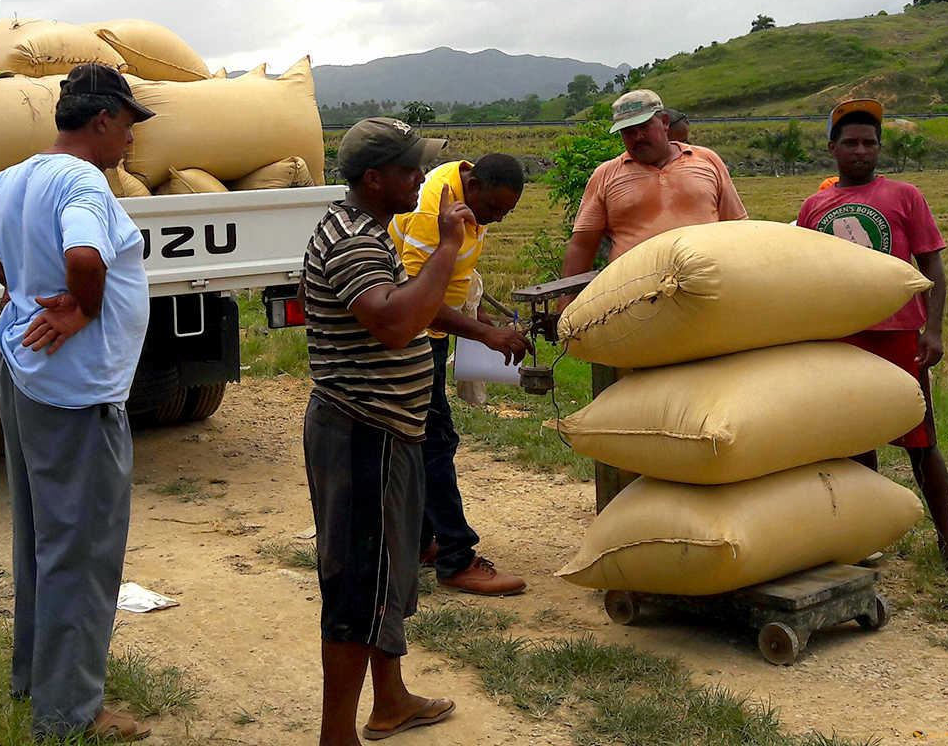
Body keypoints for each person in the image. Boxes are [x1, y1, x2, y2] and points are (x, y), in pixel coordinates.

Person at [0, 65, 157, 741]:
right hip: (74, 388)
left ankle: (37, 680)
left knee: (43, 537)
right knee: (81, 547)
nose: (131, 140)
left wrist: (10, 276)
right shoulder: (83, 182)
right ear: (102, 118)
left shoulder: (16, 177)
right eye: (128, 125)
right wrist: (83, 307)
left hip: (25, 374)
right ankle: (70, 713)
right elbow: (85, 256)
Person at [302, 117, 462, 745]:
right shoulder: (353, 242)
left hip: (385, 430)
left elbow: (411, 301)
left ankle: (390, 701)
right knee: (357, 584)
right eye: (409, 169)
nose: (421, 178)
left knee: (386, 575)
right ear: (374, 178)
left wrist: (478, 328)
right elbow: (395, 323)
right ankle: (335, 736)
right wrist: (446, 249)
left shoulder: (370, 230)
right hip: (361, 432)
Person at [797, 98, 948, 571]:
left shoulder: (905, 196)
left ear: (878, 149)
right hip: (842, 339)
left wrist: (933, 330)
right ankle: (864, 539)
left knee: (921, 440)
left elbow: (932, 265)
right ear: (832, 149)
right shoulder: (814, 207)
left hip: (898, 336)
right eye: (850, 143)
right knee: (855, 441)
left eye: (869, 143)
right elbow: (804, 273)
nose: (861, 151)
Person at [390, 154, 532, 596]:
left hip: (433, 331)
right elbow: (415, 297)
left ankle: (420, 542)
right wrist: (485, 335)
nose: (497, 218)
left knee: (424, 439)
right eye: (494, 208)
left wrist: (477, 311)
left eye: (507, 212)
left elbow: (455, 270)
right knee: (435, 441)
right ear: (475, 186)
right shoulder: (433, 207)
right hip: (413, 334)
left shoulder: (468, 198)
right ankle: (456, 558)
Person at [560, 89, 747, 303]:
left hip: (707, 290)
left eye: (644, 127)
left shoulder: (707, 160)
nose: (638, 137)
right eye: (628, 131)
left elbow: (738, 227)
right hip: (634, 300)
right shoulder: (605, 175)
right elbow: (582, 246)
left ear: (665, 122)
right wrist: (566, 306)